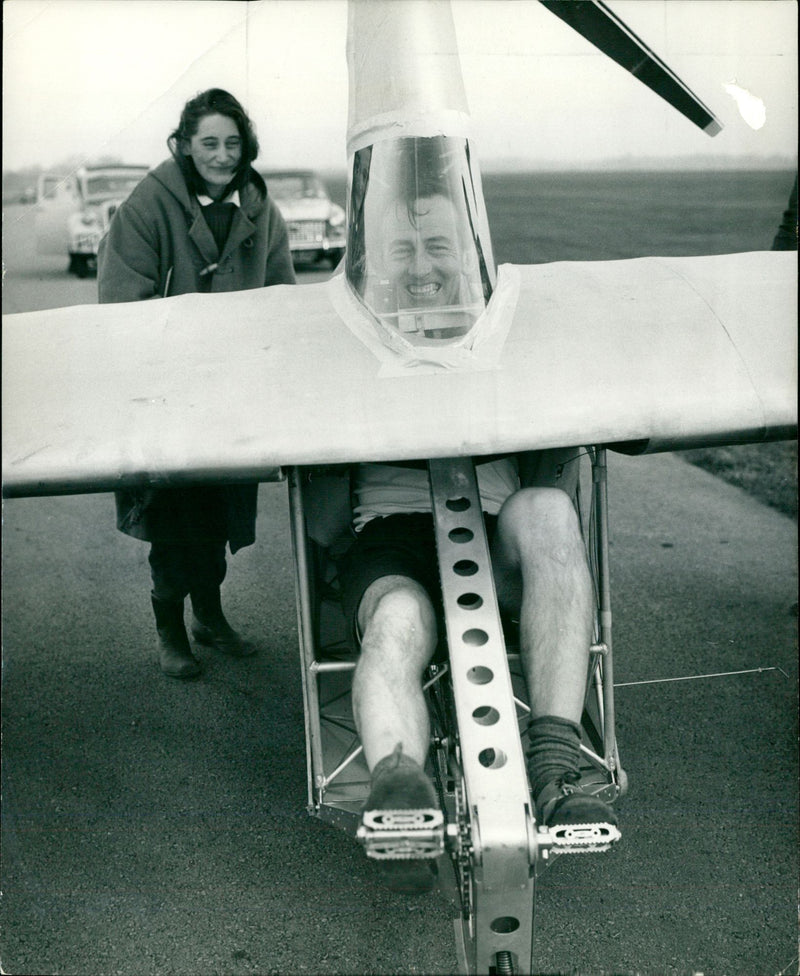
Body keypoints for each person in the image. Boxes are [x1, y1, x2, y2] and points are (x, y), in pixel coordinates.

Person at [331, 184, 617, 896]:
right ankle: (402, 788)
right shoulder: (348, 341)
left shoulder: (508, 335)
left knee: (549, 507)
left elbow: (568, 431)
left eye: (438, 247)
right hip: (390, 534)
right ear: (377, 260)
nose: (422, 266)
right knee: (398, 619)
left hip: (498, 529)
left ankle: (556, 761)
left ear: (468, 256)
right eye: (401, 249)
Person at [98, 88, 296, 679]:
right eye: (208, 142)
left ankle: (209, 616)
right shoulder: (148, 204)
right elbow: (118, 298)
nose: (221, 154)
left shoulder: (261, 208)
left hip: (233, 394)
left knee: (219, 511)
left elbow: (282, 296)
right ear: (184, 144)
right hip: (166, 392)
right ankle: (170, 630)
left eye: (233, 142)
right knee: (171, 513)